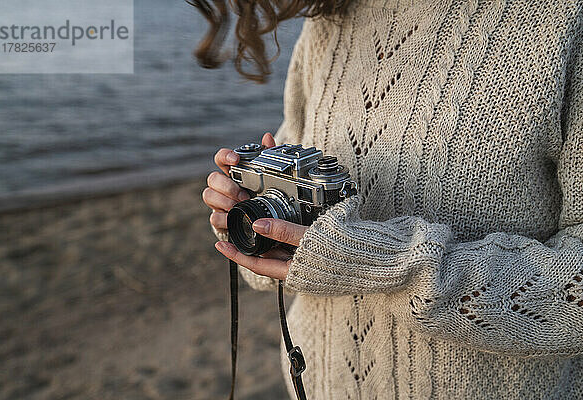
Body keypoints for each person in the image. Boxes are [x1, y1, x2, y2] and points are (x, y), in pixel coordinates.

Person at [198, 0, 583, 397]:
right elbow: (298, 232)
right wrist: (253, 222)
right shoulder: (328, 21)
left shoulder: (563, 21)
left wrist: (390, 265)